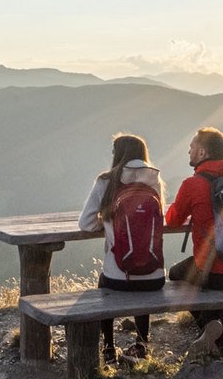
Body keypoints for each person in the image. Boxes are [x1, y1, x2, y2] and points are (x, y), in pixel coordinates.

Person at [164, 126, 223, 355]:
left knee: (178, 274)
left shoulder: (193, 184)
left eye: (191, 147)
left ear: (201, 153)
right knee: (205, 269)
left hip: (217, 275)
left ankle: (211, 322)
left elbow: (173, 221)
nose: (188, 151)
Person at [78, 133, 164, 364]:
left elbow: (84, 223)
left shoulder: (106, 181)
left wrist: (107, 225)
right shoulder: (153, 179)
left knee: (103, 283)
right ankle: (141, 345)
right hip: (155, 277)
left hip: (119, 277)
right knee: (142, 279)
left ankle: (108, 349)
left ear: (118, 155)